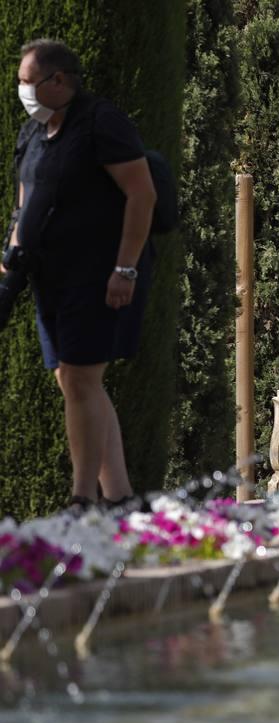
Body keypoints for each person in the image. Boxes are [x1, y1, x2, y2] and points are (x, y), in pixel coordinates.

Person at [7, 39, 157, 510]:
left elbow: (141, 194)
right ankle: (120, 498)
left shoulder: (99, 122)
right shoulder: (34, 134)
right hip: (50, 277)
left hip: (100, 272)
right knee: (74, 381)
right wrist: (9, 264)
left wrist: (125, 268)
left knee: (80, 378)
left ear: (58, 81)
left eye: (27, 82)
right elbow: (23, 209)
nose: (21, 91)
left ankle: (82, 500)